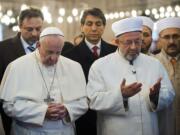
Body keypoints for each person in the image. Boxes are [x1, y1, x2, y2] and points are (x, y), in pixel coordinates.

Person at [86, 17, 175, 135]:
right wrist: (121, 95)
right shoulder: (100, 66)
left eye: (138, 41)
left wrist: (155, 97)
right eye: (128, 42)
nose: (133, 47)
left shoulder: (154, 63)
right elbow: (93, 100)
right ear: (117, 42)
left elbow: (169, 93)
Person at [0, 27, 88, 135]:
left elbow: (83, 102)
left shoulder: (74, 67)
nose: (54, 58)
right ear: (38, 45)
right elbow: (9, 105)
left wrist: (67, 110)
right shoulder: (17, 66)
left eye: (58, 53)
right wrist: (42, 112)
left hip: (64, 131)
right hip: (29, 131)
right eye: (49, 52)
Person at [62, 7, 117, 135]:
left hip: (111, 112)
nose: (93, 28)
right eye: (89, 24)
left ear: (104, 26)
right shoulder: (69, 56)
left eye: (98, 24)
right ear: (82, 26)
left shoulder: (115, 52)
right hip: (84, 116)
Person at [0, 7, 44, 135]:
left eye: (38, 29)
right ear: (20, 26)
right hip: (14, 111)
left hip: (43, 111)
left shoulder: (47, 46)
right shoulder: (3, 48)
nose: (35, 33)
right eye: (29, 29)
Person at [155, 17, 180, 135]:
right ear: (159, 40)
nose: (171, 41)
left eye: (175, 36)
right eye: (166, 37)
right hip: (162, 127)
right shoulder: (151, 63)